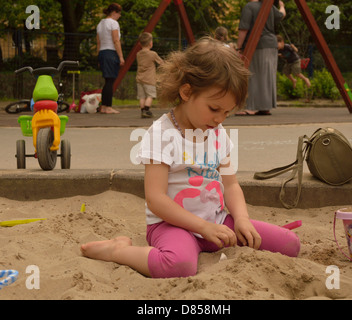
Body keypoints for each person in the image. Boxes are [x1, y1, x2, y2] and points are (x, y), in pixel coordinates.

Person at [80, 37, 300, 279]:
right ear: (187, 92)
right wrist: (202, 228)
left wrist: (242, 219)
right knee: (180, 266)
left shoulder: (217, 132)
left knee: (290, 244)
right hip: (172, 225)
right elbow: (155, 199)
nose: (220, 119)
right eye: (214, 109)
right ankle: (119, 250)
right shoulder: (161, 134)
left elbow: (231, 184)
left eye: (227, 112)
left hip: (216, 222)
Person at [236, 0, 286, 116]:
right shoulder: (268, 6)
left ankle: (252, 107)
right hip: (272, 45)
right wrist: (282, 6)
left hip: (256, 45)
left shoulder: (249, 7)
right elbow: (282, 15)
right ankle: (265, 106)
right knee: (267, 76)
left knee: (253, 75)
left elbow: (244, 29)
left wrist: (239, 47)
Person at [96, 3, 124, 114]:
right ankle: (108, 107)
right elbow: (116, 40)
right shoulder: (113, 23)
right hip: (111, 53)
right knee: (110, 81)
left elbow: (98, 42)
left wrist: (98, 56)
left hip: (102, 52)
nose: (119, 16)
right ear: (114, 12)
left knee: (107, 80)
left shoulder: (100, 24)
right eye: (119, 13)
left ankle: (103, 106)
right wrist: (121, 56)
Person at [136, 32, 163, 118]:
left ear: (140, 43)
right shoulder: (153, 54)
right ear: (150, 43)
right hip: (149, 79)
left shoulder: (138, 54)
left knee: (142, 96)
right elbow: (161, 62)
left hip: (139, 79)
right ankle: (146, 110)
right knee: (150, 95)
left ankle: (142, 110)